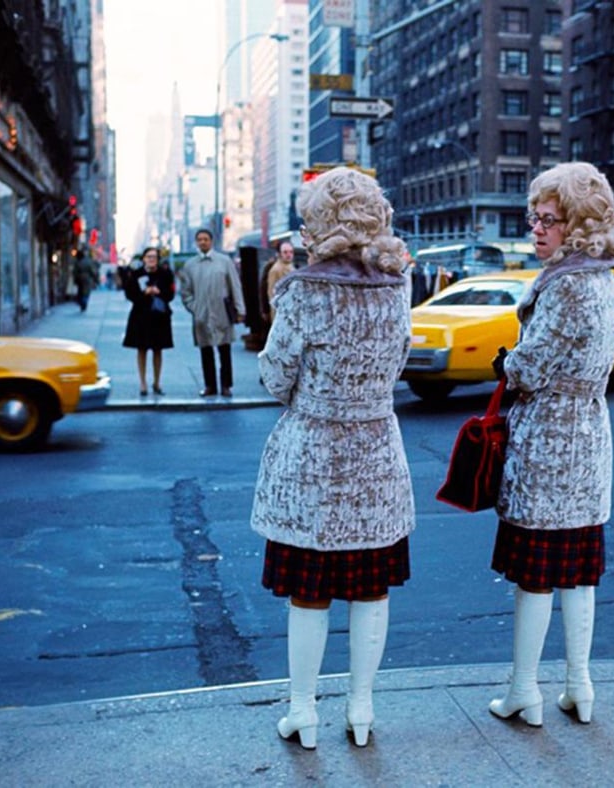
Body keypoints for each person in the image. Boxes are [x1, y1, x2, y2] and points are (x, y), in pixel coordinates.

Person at [250, 167, 414, 750]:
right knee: (371, 588)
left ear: (321, 226)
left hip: (313, 461)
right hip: (376, 459)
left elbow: (276, 377)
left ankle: (303, 711)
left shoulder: (303, 291)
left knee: (309, 591)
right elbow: (398, 363)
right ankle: (361, 710)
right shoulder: (397, 286)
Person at [487, 161, 614, 728]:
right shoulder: (603, 279)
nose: (537, 230)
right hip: (589, 438)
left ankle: (524, 690)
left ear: (578, 225)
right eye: (534, 219)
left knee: (536, 572)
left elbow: (531, 367)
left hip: (548, 440)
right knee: (578, 571)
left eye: (549, 220)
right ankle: (579, 686)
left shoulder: (566, 284)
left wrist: (506, 363)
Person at [178, 229, 244, 397]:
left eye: (205, 239)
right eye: (199, 239)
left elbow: (235, 286)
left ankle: (226, 385)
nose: (203, 242)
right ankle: (210, 386)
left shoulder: (224, 261)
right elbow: (185, 292)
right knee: (206, 351)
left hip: (222, 313)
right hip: (202, 315)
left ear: (211, 241)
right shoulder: (190, 265)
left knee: (225, 350)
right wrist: (195, 307)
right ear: (196, 242)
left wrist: (240, 309)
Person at [121, 246, 175, 396]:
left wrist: (159, 292)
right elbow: (129, 294)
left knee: (158, 349)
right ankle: (143, 383)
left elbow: (171, 295)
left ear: (158, 259)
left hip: (159, 317)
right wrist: (144, 292)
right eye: (149, 257)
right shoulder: (136, 274)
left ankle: (157, 382)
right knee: (141, 349)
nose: (151, 259)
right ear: (143, 259)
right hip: (140, 316)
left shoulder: (165, 274)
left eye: (154, 257)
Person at [260, 240, 295, 330]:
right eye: (285, 252)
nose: (289, 255)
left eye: (291, 252)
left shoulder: (290, 266)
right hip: (282, 313)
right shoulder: (276, 270)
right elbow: (271, 293)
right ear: (279, 254)